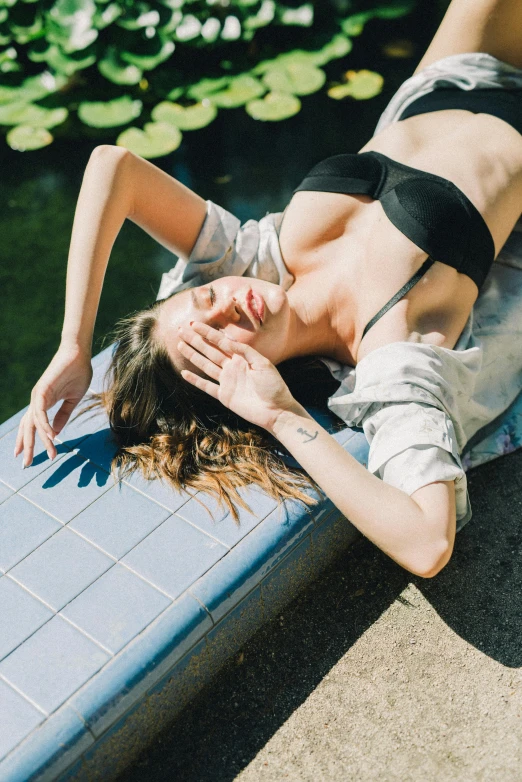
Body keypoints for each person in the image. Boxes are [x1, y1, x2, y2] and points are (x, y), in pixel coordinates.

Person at [15, 0, 522, 578]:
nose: (229, 306)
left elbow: (113, 167)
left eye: (205, 299)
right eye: (216, 341)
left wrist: (73, 345)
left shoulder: (257, 260)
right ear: (230, 382)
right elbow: (427, 544)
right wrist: (280, 416)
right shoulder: (389, 354)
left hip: (450, 75)